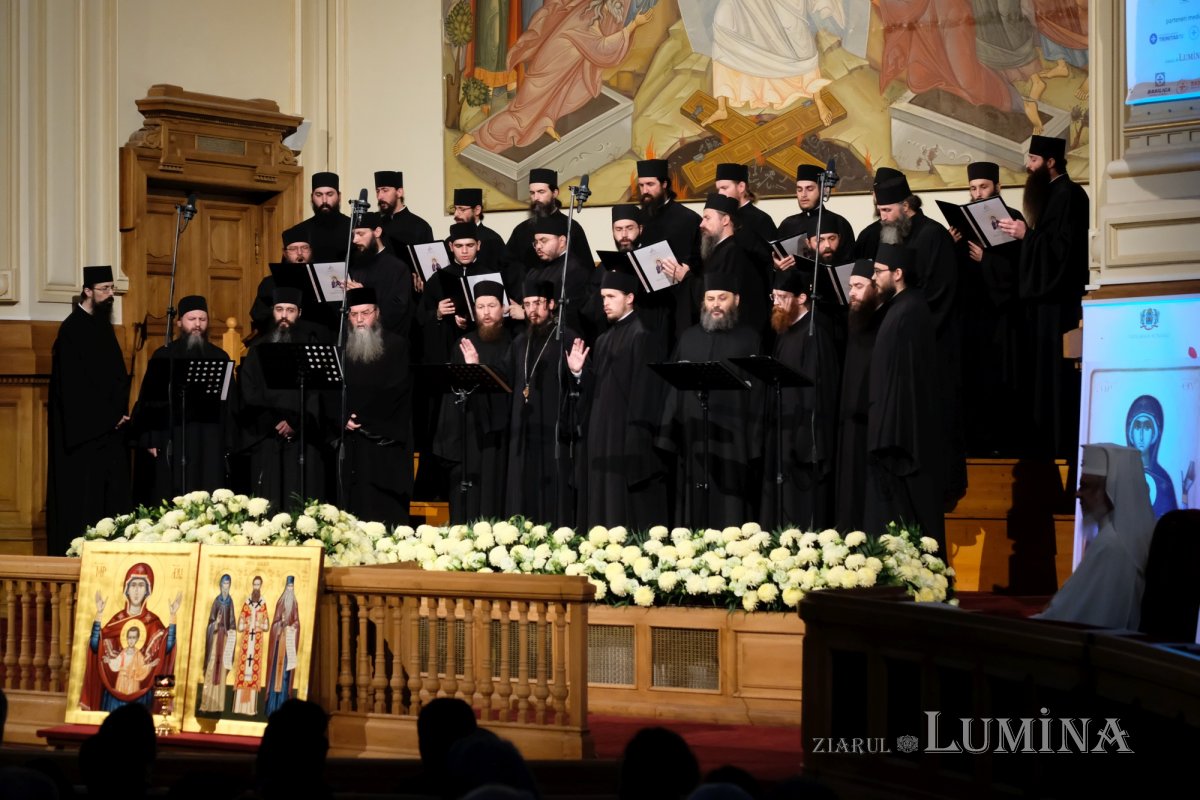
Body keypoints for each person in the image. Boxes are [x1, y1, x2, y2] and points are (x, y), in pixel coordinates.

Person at [872, 174, 966, 505]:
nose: (882, 216)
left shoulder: (933, 236)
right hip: (901, 348)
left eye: (886, 210)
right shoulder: (894, 237)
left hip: (932, 349)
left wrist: (909, 331)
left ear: (907, 205)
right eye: (879, 210)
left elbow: (940, 294)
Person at [454, 1, 652, 153]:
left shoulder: (586, 13)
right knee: (522, 112)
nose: (617, 13)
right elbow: (602, 48)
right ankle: (478, 137)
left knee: (558, 95)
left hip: (559, 68)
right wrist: (633, 25)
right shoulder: (586, 23)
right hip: (548, 69)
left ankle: (545, 121)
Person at [997, 133, 1089, 462]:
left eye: (1033, 161)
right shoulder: (1052, 193)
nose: (1028, 166)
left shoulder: (1070, 195)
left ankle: (1058, 448)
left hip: (1059, 307)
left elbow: (1063, 254)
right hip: (1042, 305)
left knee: (1055, 381)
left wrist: (1027, 235)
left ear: (1050, 162)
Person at [658, 272, 764, 529]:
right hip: (694, 437)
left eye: (722, 298)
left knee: (731, 510)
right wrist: (667, 435)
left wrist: (754, 444)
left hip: (733, 440)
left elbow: (759, 396)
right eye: (710, 298)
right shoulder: (689, 337)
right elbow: (674, 389)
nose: (716, 304)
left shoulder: (749, 338)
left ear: (736, 300)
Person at [863, 244, 946, 552]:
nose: (873, 279)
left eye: (877, 272)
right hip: (894, 428)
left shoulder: (910, 310)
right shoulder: (900, 307)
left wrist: (889, 433)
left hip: (904, 435)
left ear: (897, 274)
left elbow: (907, 379)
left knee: (915, 518)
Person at [572, 270, 668, 530]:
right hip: (601, 437)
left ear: (630, 298)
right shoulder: (602, 340)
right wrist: (579, 373)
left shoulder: (642, 335)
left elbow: (646, 393)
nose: (605, 303)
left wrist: (635, 439)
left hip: (626, 437)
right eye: (603, 297)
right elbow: (595, 393)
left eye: (612, 296)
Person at [46, 265, 131, 555]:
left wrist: (120, 413)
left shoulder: (102, 325)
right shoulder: (71, 329)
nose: (110, 295)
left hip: (109, 431)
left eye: (112, 289)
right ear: (87, 291)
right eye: (104, 289)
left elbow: (117, 376)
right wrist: (109, 417)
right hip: (85, 436)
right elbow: (75, 389)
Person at [948, 160, 1027, 456]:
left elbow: (1021, 270)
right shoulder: (963, 220)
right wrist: (951, 243)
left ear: (997, 188)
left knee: (1000, 381)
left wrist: (987, 261)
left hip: (1003, 320)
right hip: (969, 317)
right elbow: (953, 271)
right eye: (973, 188)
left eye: (983, 187)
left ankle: (1002, 445)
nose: (978, 193)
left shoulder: (1012, 218)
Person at [1036, 443, 1156, 629]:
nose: (1077, 494)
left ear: (1110, 490)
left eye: (1085, 486)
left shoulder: (1112, 545)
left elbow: (1073, 618)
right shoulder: (1119, 538)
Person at [131, 295, 233, 505]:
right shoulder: (163, 356)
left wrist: (228, 442)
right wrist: (152, 438)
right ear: (179, 322)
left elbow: (229, 404)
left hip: (208, 437)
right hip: (174, 435)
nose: (197, 325)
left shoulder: (219, 357)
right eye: (191, 319)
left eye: (202, 319)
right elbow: (149, 401)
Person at [760, 268, 840, 530]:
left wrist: (805, 439)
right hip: (783, 431)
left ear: (802, 298)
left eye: (782, 297)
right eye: (774, 297)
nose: (777, 303)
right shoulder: (784, 330)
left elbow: (820, 391)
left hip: (805, 437)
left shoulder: (815, 332)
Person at [237, 286, 329, 509]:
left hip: (304, 437)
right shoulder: (257, 348)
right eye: (279, 309)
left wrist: (295, 423)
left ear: (299, 313)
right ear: (273, 312)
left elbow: (319, 392)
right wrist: (276, 422)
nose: (284, 316)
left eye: (290, 310)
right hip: (268, 436)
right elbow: (249, 393)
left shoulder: (313, 347)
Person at [504, 278, 582, 526]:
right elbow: (504, 380)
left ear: (551, 304)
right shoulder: (519, 343)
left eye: (537, 303)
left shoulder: (566, 338)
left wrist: (578, 373)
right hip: (525, 429)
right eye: (526, 304)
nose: (532, 310)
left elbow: (584, 384)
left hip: (554, 432)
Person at [436, 282, 513, 523]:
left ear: (503, 309)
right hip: (467, 435)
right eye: (481, 306)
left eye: (492, 306)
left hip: (499, 439)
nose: (486, 312)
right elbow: (450, 398)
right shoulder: (463, 343)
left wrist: (477, 369)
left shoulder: (515, 343)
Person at [340, 287, 414, 528]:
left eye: (366, 313)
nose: (360, 320)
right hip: (351, 443)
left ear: (377, 313)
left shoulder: (396, 345)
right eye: (354, 314)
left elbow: (396, 390)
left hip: (383, 441)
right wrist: (343, 417)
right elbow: (332, 391)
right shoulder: (341, 349)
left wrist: (360, 416)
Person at [80, 562, 181, 712]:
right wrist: (99, 614)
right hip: (115, 690)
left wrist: (172, 617)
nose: (136, 591)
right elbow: (96, 646)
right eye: (133, 585)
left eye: (141, 585)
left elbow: (166, 648)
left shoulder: (153, 621)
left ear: (148, 591)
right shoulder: (117, 620)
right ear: (126, 589)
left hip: (141, 692)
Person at [834, 259, 886, 532]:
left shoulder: (886, 322)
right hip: (851, 421)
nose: (851, 292)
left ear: (876, 288)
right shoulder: (854, 319)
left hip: (874, 422)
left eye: (858, 286)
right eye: (850, 286)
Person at [525, 212, 597, 343]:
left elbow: (569, 314)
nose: (538, 246)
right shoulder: (535, 270)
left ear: (562, 241)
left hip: (565, 340)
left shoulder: (574, 269)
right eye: (536, 242)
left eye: (544, 240)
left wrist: (524, 313)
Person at [504, 168, 593, 271]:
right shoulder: (521, 229)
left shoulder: (571, 227)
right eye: (532, 193)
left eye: (541, 192)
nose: (536, 198)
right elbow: (508, 264)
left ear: (555, 193)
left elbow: (585, 267)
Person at [346, 211, 412, 336]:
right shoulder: (355, 267)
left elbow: (398, 312)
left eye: (360, 234)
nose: (355, 240)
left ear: (377, 232)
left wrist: (364, 295)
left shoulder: (398, 268)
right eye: (353, 235)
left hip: (387, 341)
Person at [776, 163, 856, 264]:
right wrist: (776, 265)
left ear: (822, 190)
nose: (803, 195)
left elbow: (848, 263)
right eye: (799, 189)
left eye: (809, 189)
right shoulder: (787, 224)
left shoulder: (839, 222)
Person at [1125, 395, 1177, 517]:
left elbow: (1172, 521)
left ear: (1154, 434)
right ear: (1131, 433)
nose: (1141, 435)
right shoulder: (1121, 475)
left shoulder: (1163, 481)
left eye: (1147, 427)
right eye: (1137, 427)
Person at [282, 172, 352, 263]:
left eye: (329, 194)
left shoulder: (352, 228)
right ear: (312, 198)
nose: (324, 201)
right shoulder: (298, 231)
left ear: (339, 196)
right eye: (319, 195)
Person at [199, 573, 236, 713]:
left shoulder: (230, 602)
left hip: (225, 640)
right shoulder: (216, 601)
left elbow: (232, 622)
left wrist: (231, 631)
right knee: (211, 668)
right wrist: (216, 623)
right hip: (215, 640)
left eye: (228, 584)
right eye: (224, 584)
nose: (226, 587)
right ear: (220, 585)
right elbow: (210, 623)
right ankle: (206, 704)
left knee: (221, 671)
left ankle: (218, 705)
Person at [264, 576, 301, 717]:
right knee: (276, 677)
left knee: (285, 676)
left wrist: (292, 626)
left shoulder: (295, 605)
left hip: (288, 646)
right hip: (279, 646)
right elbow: (274, 624)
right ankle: (272, 707)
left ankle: (283, 709)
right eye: (288, 587)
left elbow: (297, 622)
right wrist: (280, 624)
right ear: (286, 588)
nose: (290, 589)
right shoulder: (280, 603)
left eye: (292, 587)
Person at [233, 575, 270, 716]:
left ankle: (250, 708)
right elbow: (240, 625)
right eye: (254, 584)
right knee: (244, 672)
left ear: (261, 586)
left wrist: (261, 624)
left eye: (258, 585)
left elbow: (266, 625)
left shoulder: (263, 604)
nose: (256, 587)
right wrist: (245, 623)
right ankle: (239, 707)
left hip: (256, 643)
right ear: (252, 585)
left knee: (253, 673)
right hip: (247, 640)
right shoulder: (246, 603)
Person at [374, 170, 433, 255]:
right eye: (377, 191)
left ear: (399, 192)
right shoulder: (376, 224)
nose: (379, 196)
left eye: (385, 190)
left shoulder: (420, 226)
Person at [451, 187, 505, 251]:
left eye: (462, 209)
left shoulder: (492, 240)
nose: (456, 214)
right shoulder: (450, 240)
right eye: (455, 209)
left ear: (477, 210)